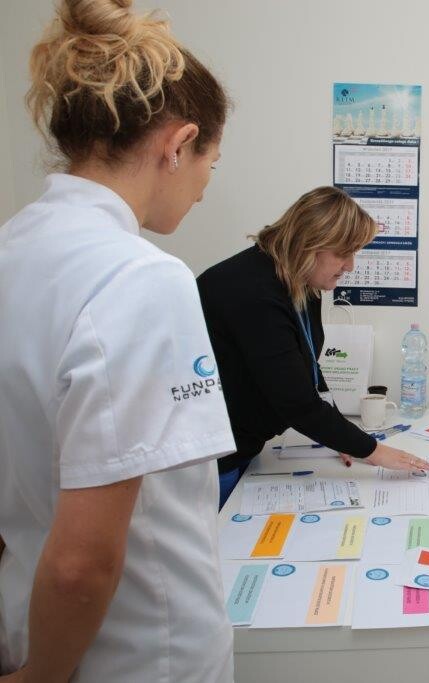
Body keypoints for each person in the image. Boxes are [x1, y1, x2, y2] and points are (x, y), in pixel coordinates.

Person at [0, 0, 235, 680]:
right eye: (211, 163)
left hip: (32, 626)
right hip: (138, 652)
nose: (203, 189)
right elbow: (83, 562)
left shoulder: (14, 250)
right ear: (178, 144)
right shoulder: (142, 279)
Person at [197, 186, 429, 506]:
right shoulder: (252, 290)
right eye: (344, 253)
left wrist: (343, 438)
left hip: (244, 447)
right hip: (210, 461)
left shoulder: (300, 282)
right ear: (311, 245)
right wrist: (373, 451)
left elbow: (308, 366)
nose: (350, 266)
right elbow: (297, 402)